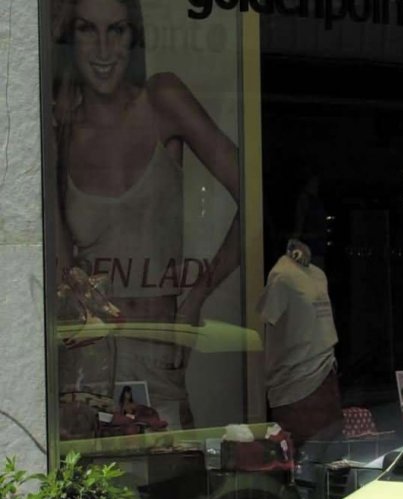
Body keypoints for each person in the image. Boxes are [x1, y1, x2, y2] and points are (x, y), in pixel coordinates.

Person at [51, 0, 241, 429]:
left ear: (134, 37)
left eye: (116, 30)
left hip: (158, 351)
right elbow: (62, 268)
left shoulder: (162, 100)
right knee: (99, 495)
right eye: (86, 30)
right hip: (88, 362)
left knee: (172, 486)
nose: (103, 48)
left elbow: (253, 191)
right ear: (70, 40)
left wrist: (194, 301)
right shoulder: (62, 134)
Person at [259, 239, 342, 449]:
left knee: (329, 451)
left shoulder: (318, 275)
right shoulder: (282, 276)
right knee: (303, 453)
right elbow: (266, 320)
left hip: (325, 374)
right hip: (295, 384)